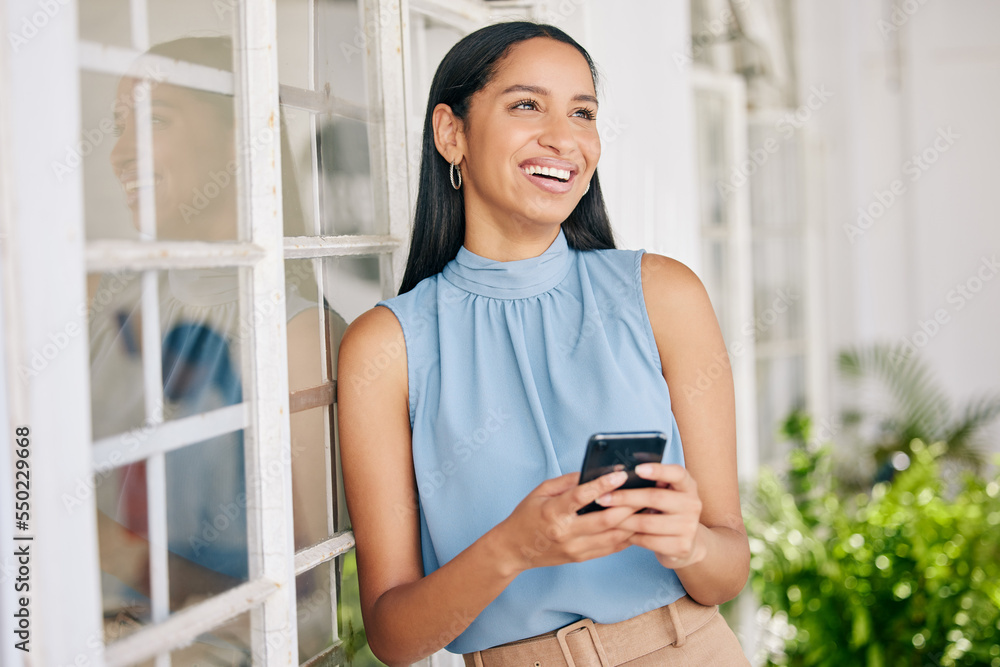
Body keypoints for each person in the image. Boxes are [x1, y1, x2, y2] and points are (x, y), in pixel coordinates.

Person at [338, 21, 751, 667]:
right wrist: (515, 546)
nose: (564, 138)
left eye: (582, 112)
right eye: (527, 105)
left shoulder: (665, 295)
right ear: (452, 133)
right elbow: (393, 636)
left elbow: (728, 570)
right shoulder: (387, 346)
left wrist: (687, 542)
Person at [89, 35, 343, 659]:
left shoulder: (301, 337)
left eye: (153, 121)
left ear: (240, 139)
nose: (120, 153)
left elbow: (325, 602)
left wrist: (119, 556)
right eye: (120, 126)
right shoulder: (103, 307)